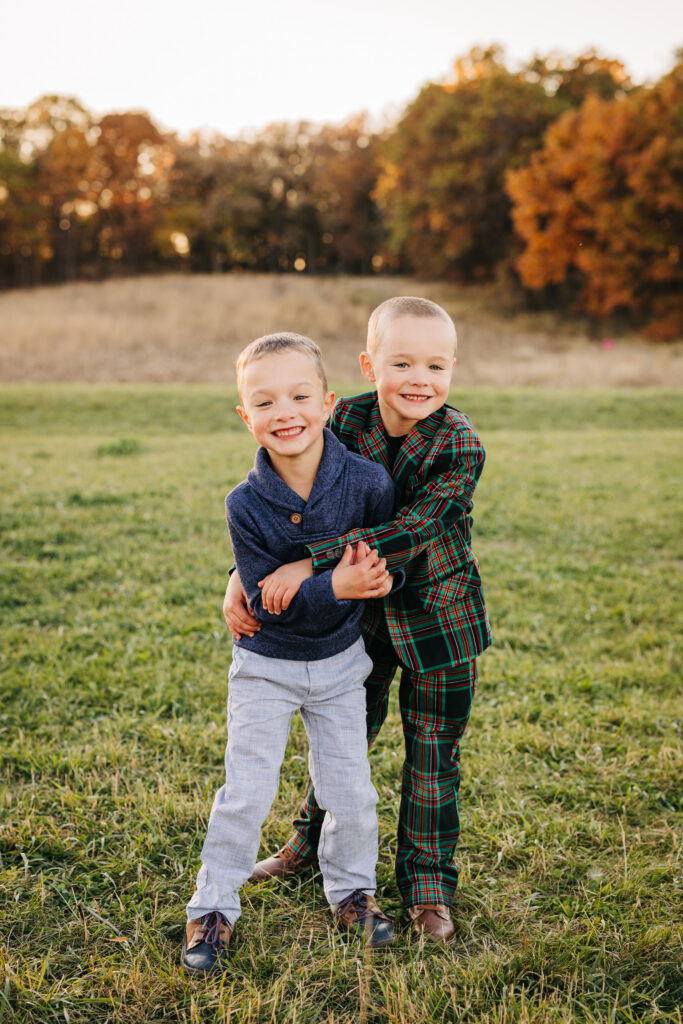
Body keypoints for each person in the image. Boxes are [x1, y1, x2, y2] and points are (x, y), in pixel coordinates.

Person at [224, 297, 492, 944]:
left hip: (438, 623)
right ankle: (305, 846)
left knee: (432, 759)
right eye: (401, 362)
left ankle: (427, 890)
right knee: (342, 749)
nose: (418, 378)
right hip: (359, 620)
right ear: (370, 364)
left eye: (435, 364)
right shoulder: (340, 419)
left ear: (453, 369)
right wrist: (243, 573)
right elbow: (291, 500)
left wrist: (308, 564)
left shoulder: (458, 444)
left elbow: (411, 529)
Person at [182, 332, 400, 973]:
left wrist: (381, 579)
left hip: (340, 665)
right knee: (245, 793)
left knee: (351, 790)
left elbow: (390, 563)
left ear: (328, 402)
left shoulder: (366, 482)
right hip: (266, 667)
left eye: (300, 395)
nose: (286, 412)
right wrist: (334, 581)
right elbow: (267, 599)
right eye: (265, 401)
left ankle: (353, 891)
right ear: (245, 416)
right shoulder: (244, 504)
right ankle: (213, 905)